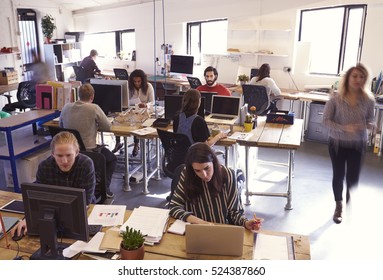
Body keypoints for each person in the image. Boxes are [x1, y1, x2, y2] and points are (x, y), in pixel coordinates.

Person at [11, 131, 96, 238]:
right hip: (53, 215)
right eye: (59, 156)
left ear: (77, 152)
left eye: (69, 155)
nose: (64, 161)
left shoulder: (86, 164)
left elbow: (86, 202)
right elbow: (38, 200)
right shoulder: (44, 167)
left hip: (84, 212)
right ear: (52, 154)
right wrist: (27, 219)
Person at [323, 63, 375, 224]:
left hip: (357, 145)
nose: (358, 80)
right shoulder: (335, 99)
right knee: (338, 176)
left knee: (353, 179)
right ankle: (339, 206)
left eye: (361, 77)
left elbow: (369, 120)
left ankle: (349, 202)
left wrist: (370, 125)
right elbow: (325, 121)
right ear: (347, 78)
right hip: (337, 144)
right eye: (354, 76)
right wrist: (343, 128)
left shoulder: (368, 100)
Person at [169, 142, 262, 230]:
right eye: (197, 171)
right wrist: (199, 222)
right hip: (195, 229)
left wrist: (246, 223)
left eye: (207, 168)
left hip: (220, 230)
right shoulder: (187, 174)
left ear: (213, 161)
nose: (204, 175)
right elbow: (173, 207)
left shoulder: (228, 175)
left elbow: (235, 212)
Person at [60, 83, 116, 198]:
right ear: (92, 96)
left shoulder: (66, 107)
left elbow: (61, 126)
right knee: (112, 159)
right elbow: (107, 127)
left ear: (78, 95)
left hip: (69, 150)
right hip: (89, 151)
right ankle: (104, 189)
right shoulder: (93, 107)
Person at [112, 69, 155, 155]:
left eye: (139, 81)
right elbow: (125, 100)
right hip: (131, 111)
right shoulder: (129, 87)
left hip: (144, 112)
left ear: (143, 80)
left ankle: (136, 144)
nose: (137, 83)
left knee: (137, 125)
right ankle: (117, 143)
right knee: (117, 121)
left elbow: (153, 102)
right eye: (134, 81)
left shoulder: (148, 86)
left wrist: (146, 105)